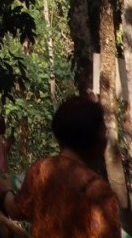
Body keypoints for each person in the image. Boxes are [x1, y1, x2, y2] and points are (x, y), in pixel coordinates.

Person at [9, 95, 121, 238]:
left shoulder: (40, 170)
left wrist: (6, 191)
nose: (104, 139)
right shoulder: (99, 192)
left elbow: (16, 210)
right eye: (102, 132)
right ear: (92, 137)